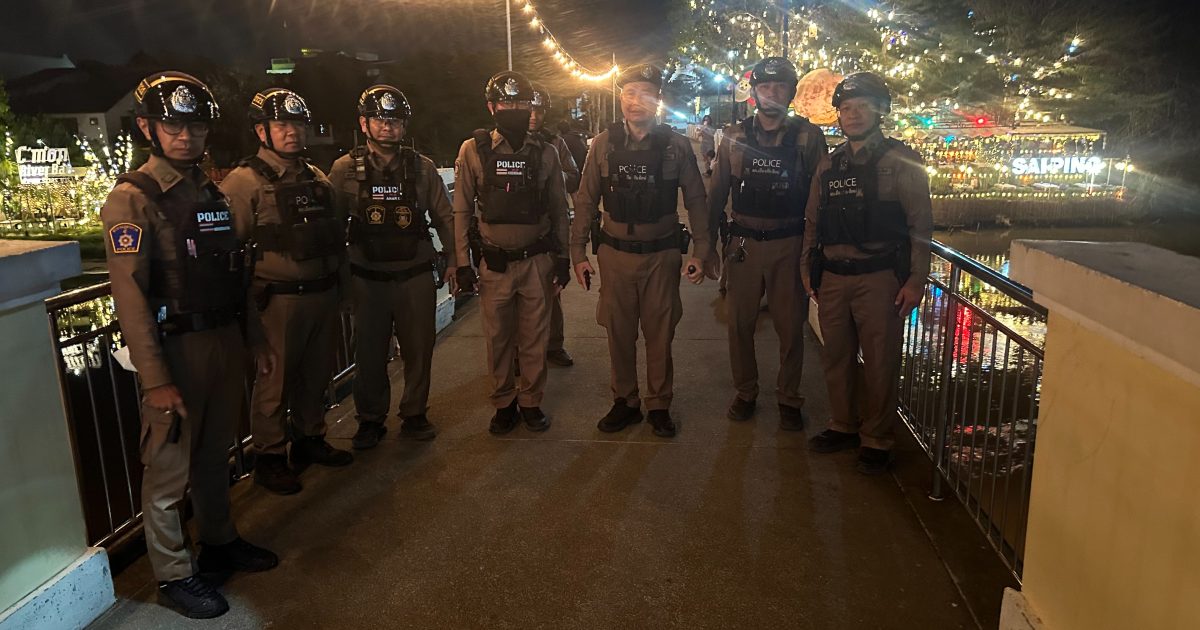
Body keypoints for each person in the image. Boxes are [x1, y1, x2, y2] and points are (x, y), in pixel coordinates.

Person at [102, 71, 277, 618]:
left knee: (213, 454)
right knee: (167, 468)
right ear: (147, 128)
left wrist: (254, 337)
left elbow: (233, 270)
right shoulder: (134, 198)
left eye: (196, 125)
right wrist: (155, 379)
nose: (185, 136)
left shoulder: (209, 190)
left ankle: (219, 540)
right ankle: (174, 574)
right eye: (173, 125)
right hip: (174, 348)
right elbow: (130, 296)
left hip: (221, 339)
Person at [571, 63, 715, 438]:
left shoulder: (676, 146)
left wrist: (701, 251)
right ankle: (625, 401)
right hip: (615, 256)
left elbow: (696, 201)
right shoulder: (603, 144)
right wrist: (577, 252)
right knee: (618, 332)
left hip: (660, 257)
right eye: (630, 93)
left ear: (658, 99)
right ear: (621, 98)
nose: (637, 102)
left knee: (660, 332)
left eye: (646, 94)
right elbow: (585, 201)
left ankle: (659, 404)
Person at [221, 88, 352, 494]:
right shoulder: (243, 182)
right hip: (276, 300)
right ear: (261, 131)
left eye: (298, 124)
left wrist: (343, 290)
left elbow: (335, 237)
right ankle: (270, 456)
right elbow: (229, 251)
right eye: (281, 124)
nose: (292, 132)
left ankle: (310, 438)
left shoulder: (316, 177)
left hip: (321, 293)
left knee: (316, 375)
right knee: (273, 381)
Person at [801, 72, 933, 475]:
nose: (853, 114)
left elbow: (920, 225)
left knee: (880, 361)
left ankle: (876, 438)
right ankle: (842, 424)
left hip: (880, 278)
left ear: (880, 111)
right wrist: (807, 269)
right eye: (846, 108)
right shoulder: (830, 163)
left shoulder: (900, 160)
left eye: (862, 107)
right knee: (836, 356)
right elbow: (813, 221)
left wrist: (916, 279)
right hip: (833, 278)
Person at [327, 85, 455, 450]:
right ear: (364, 124)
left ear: (404, 125)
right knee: (368, 353)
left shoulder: (422, 167)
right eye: (380, 119)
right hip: (366, 278)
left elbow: (445, 217)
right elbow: (331, 227)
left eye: (395, 120)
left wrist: (455, 261)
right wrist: (337, 278)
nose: (388, 126)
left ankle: (414, 412)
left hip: (414, 274)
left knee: (419, 349)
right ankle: (370, 418)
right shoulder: (344, 169)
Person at [706, 56, 828, 431]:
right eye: (764, 87)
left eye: (780, 87)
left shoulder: (808, 138)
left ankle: (789, 397)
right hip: (743, 244)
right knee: (739, 324)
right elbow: (717, 194)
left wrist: (817, 253)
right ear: (754, 92)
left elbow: (821, 198)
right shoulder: (735, 136)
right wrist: (705, 246)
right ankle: (746, 392)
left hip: (789, 244)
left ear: (791, 93)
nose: (771, 93)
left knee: (790, 328)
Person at [452, 70, 571, 434]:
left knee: (535, 338)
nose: (515, 109)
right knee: (498, 339)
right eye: (506, 103)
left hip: (537, 261)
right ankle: (503, 402)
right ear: (492, 108)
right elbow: (461, 209)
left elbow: (559, 209)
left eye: (521, 103)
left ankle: (531, 401)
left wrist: (563, 258)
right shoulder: (473, 150)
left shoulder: (547, 152)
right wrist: (462, 263)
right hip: (495, 263)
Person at [530, 82, 580, 367]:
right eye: (530, 109)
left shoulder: (554, 143)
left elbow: (573, 175)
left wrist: (550, 175)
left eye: (539, 110)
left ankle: (553, 345)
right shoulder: (499, 143)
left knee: (552, 289)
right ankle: (517, 351)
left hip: (547, 227)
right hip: (515, 227)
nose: (534, 116)